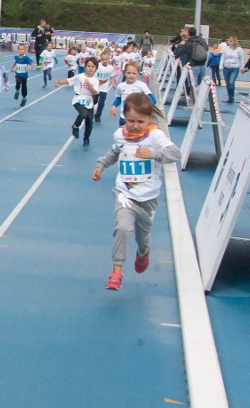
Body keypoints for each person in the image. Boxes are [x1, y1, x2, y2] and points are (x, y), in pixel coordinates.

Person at [92, 93, 180, 291]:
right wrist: (101, 165)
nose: (135, 125)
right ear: (124, 117)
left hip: (148, 198)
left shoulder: (155, 135)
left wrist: (153, 154)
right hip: (124, 193)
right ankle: (116, 272)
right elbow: (114, 151)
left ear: (149, 119)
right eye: (130, 120)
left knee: (143, 236)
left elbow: (175, 154)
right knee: (123, 228)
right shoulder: (120, 134)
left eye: (141, 121)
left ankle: (143, 251)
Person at [55, 57, 99, 146]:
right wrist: (59, 82)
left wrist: (90, 85)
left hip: (89, 101)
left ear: (96, 69)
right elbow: (69, 80)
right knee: (83, 113)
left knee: (89, 123)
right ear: (85, 66)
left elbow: (95, 92)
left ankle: (86, 138)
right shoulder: (80, 76)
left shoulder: (95, 80)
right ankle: (75, 126)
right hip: (78, 99)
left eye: (93, 67)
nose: (90, 68)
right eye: (88, 66)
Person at [110, 61, 155, 126]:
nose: (131, 75)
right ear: (124, 73)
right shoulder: (120, 86)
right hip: (124, 117)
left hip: (137, 119)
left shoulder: (142, 86)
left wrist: (143, 108)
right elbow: (119, 98)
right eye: (129, 73)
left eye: (134, 73)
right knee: (123, 135)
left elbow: (153, 100)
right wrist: (114, 106)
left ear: (138, 74)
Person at [93, 50, 116, 123]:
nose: (105, 61)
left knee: (101, 103)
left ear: (109, 59)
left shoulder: (110, 68)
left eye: (106, 59)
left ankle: (98, 115)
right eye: (103, 59)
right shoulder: (97, 66)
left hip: (104, 89)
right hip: (96, 87)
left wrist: (113, 84)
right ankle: (88, 111)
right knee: (94, 101)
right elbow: (92, 76)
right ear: (101, 59)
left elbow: (112, 77)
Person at [221, 36, 245, 103]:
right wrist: (221, 65)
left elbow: (241, 59)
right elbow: (223, 57)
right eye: (228, 41)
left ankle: (232, 97)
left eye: (231, 41)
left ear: (234, 41)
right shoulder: (226, 48)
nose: (229, 42)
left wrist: (242, 68)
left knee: (231, 82)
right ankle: (229, 97)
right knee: (227, 83)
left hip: (234, 68)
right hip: (226, 68)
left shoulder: (239, 49)